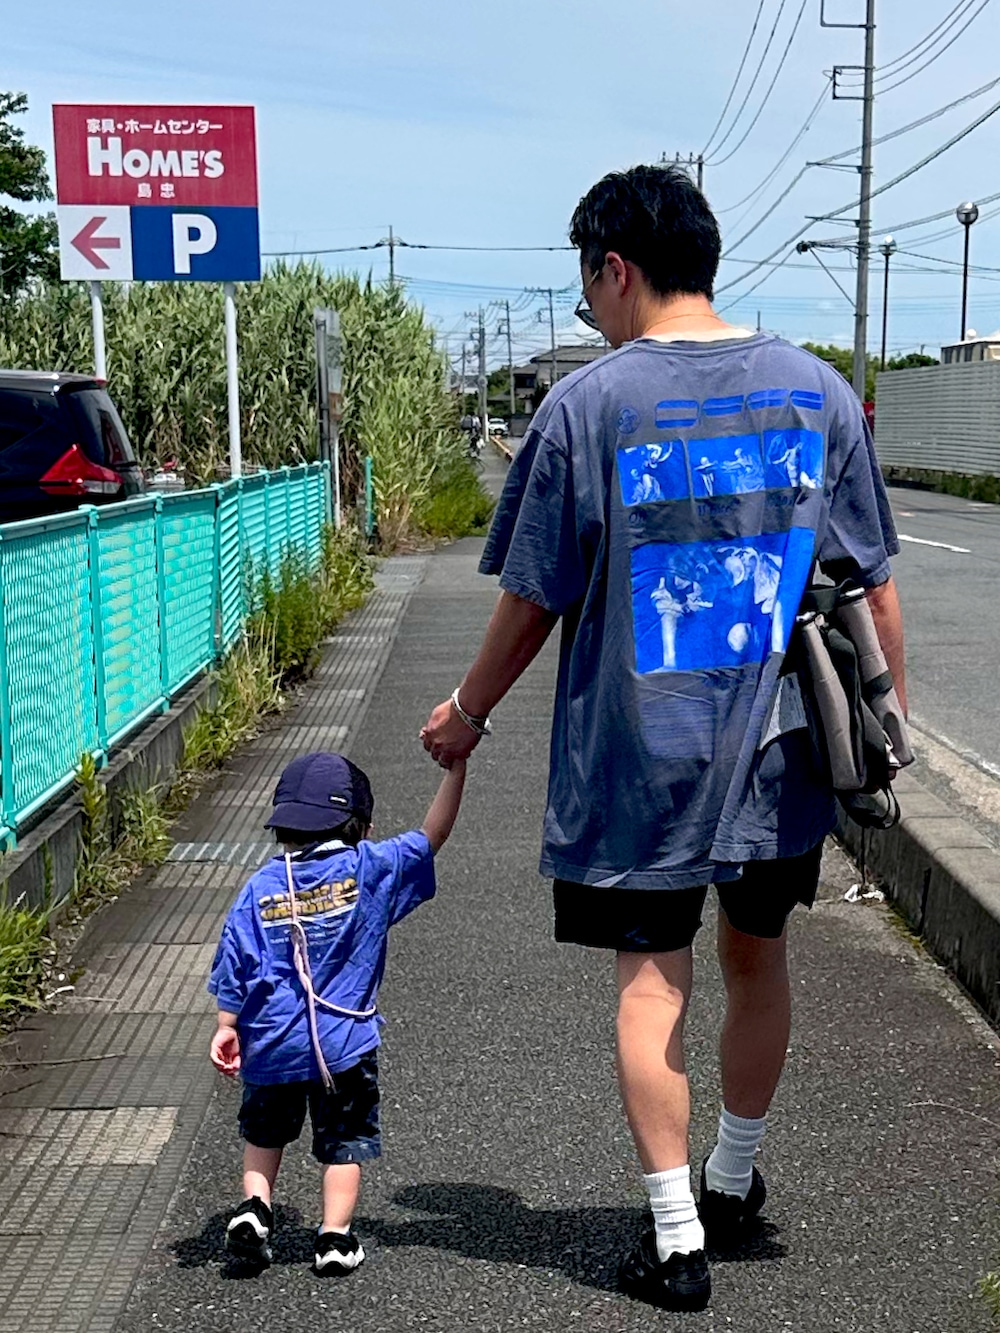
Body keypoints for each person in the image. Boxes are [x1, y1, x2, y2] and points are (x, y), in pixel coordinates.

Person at [420, 164, 905, 1313]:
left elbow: (533, 598)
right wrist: (888, 729)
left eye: (588, 283)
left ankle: (676, 1239)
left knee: (653, 989)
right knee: (759, 956)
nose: (590, 307)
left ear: (617, 268)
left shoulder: (586, 406)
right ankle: (731, 1185)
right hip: (783, 750)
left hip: (641, 754)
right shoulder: (816, 392)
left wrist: (465, 714)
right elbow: (871, 590)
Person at [208, 750, 466, 1275]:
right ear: (359, 825)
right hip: (342, 1045)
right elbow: (430, 837)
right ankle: (334, 1237)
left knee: (264, 1134)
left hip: (270, 1042)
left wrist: (226, 1027)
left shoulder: (259, 886)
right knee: (344, 1144)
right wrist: (455, 769)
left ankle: (256, 1209)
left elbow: (234, 960)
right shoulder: (368, 868)